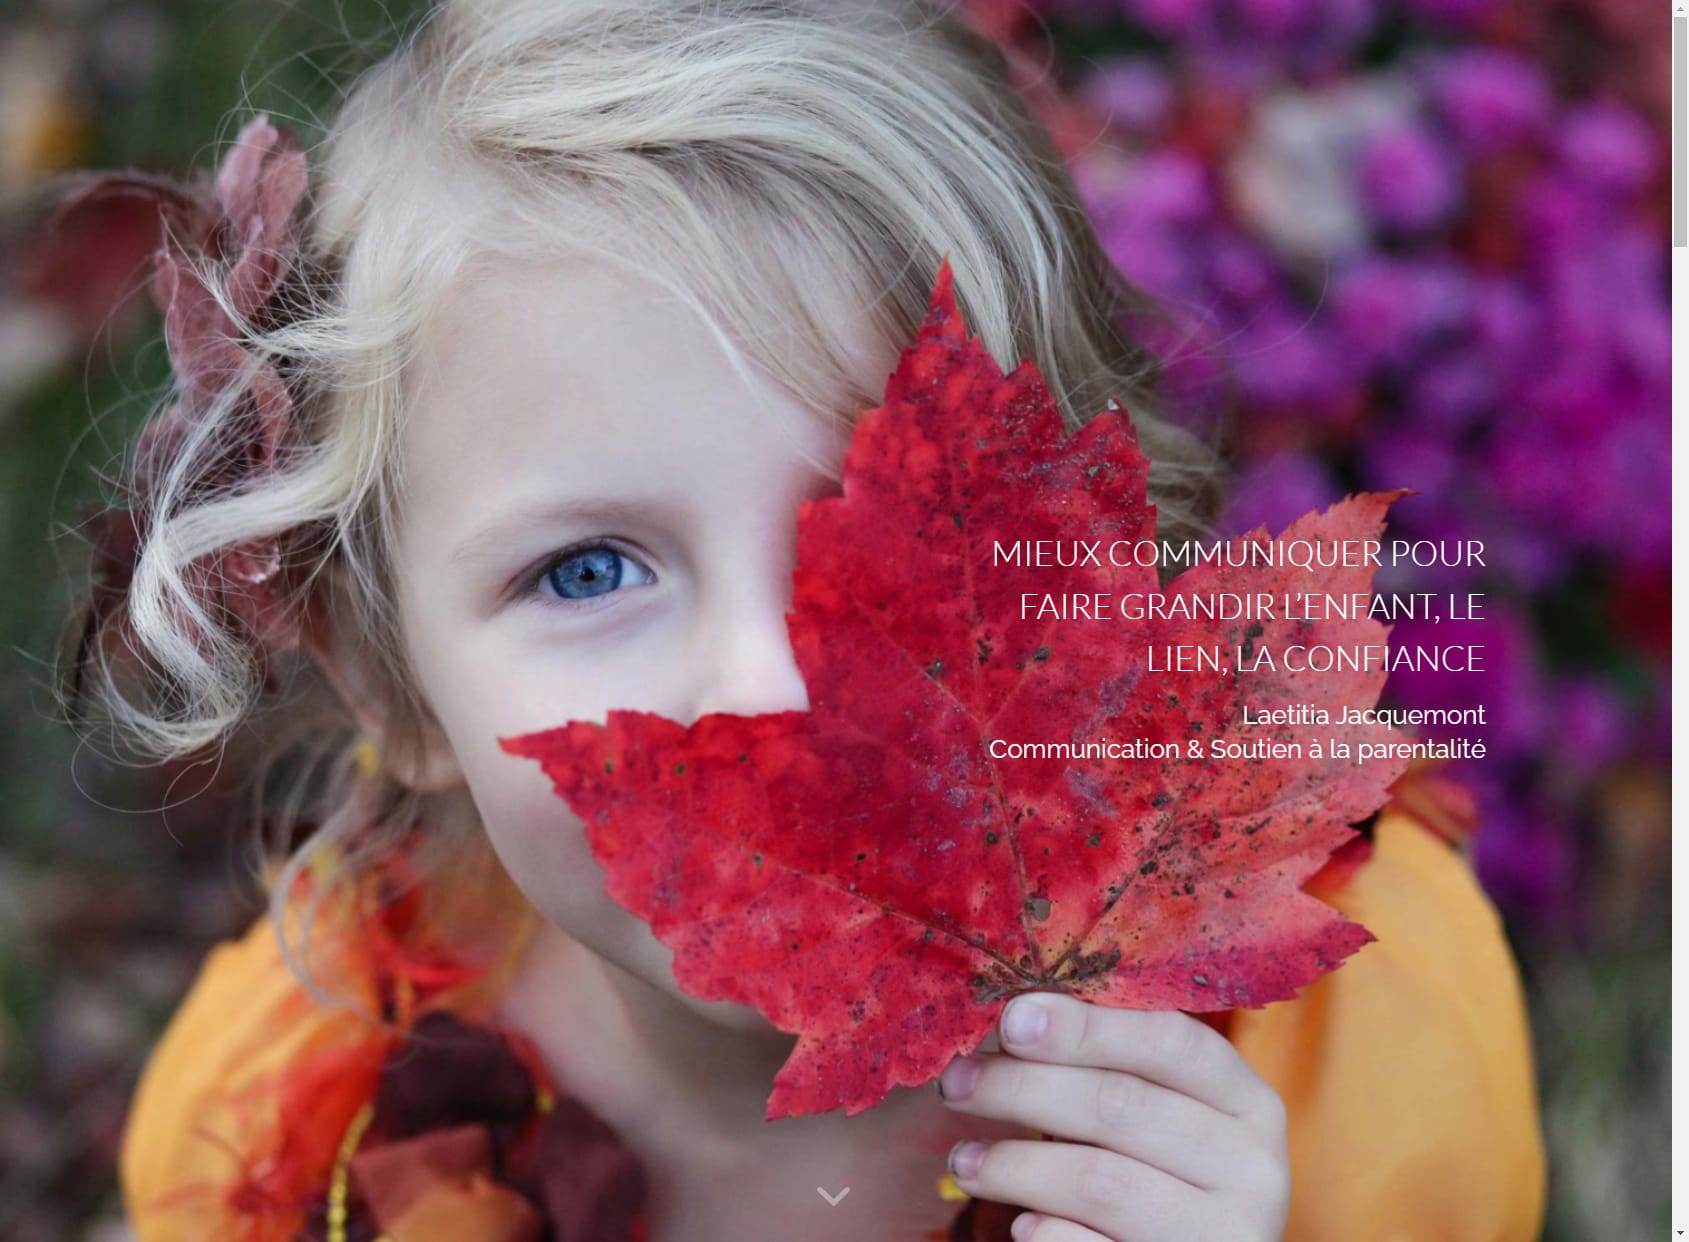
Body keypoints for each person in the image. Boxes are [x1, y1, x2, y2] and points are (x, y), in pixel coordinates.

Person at [49, 2, 1547, 1239]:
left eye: (893, 530)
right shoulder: (305, 1131)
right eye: (586, 572)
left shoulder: (1347, 1069)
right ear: (387, 681)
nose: (777, 683)